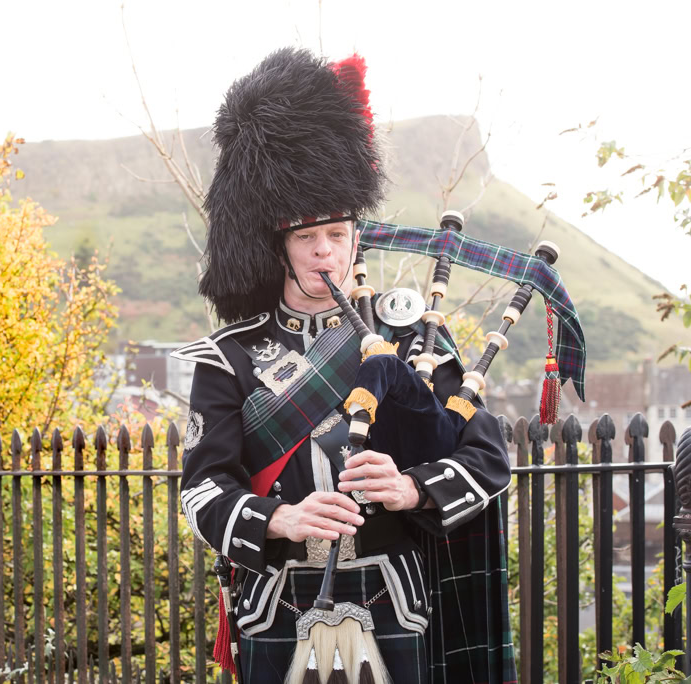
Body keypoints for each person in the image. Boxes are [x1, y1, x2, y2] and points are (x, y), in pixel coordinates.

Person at [173, 48, 517, 683]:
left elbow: (488, 456)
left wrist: (413, 486)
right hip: (276, 604)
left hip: (400, 601)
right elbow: (201, 491)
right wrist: (280, 518)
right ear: (277, 246)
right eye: (307, 238)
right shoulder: (230, 358)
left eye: (337, 233)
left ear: (356, 236)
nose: (325, 252)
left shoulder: (411, 337)